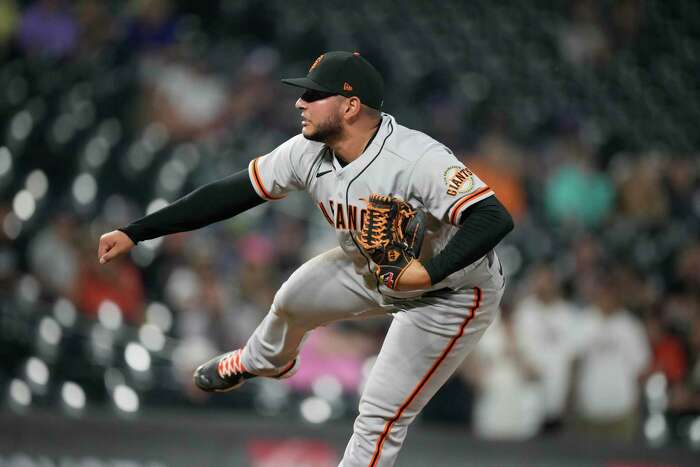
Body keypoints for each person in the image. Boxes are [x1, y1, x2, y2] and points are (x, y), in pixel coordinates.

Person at [98, 51, 513, 467]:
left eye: (314, 94)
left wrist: (427, 272)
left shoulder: (417, 159)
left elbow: (493, 217)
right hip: (371, 267)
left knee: (379, 416)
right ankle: (261, 360)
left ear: (351, 106)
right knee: (291, 300)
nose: (300, 102)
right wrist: (137, 232)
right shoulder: (306, 152)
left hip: (452, 291)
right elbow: (231, 193)